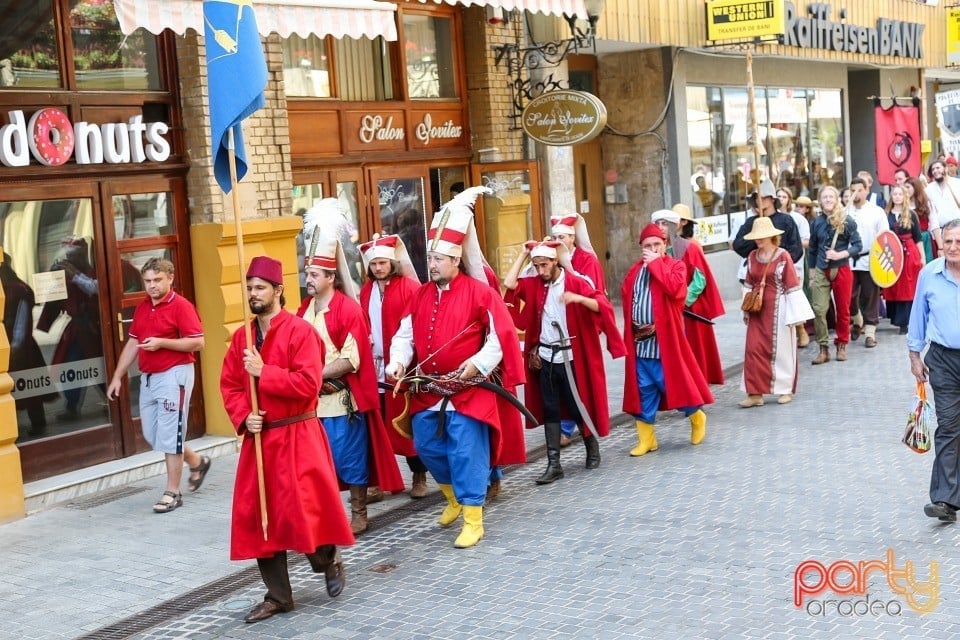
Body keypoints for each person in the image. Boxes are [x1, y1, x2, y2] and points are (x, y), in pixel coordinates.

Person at [386, 186, 525, 548]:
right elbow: (405, 334)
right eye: (429, 258)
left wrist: (477, 364)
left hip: (468, 390)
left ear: (456, 258)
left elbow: (500, 336)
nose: (431, 265)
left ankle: (473, 517)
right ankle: (451, 499)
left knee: (466, 452)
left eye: (438, 259)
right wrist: (398, 361)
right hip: (429, 390)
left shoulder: (480, 293)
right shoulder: (420, 294)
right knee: (427, 447)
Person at [221, 256, 354, 623]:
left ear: (278, 290)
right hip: (261, 439)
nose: (254, 294)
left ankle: (327, 560)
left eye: (260, 288)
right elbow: (231, 385)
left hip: (298, 433)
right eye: (249, 288)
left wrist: (266, 372)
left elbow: (308, 385)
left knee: (305, 512)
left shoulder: (301, 332)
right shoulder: (241, 338)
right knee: (260, 516)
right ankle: (278, 596)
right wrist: (243, 417)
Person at [297, 208, 404, 535]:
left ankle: (358, 512)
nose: (308, 279)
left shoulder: (348, 309)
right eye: (307, 273)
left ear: (331, 277)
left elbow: (351, 359)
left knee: (349, 459)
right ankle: (325, 514)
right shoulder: (304, 309)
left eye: (315, 274)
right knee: (318, 463)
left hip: (343, 402)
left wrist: (314, 375)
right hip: (312, 404)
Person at [503, 240, 624, 484]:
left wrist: (578, 299)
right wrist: (524, 255)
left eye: (544, 265)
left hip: (570, 358)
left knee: (577, 404)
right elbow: (509, 284)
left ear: (556, 261)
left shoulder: (576, 282)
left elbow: (602, 305)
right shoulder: (536, 284)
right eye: (536, 266)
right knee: (550, 410)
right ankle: (553, 463)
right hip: (546, 357)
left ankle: (591, 447)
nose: (540, 271)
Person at [106, 258, 209, 512]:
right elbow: (132, 343)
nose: (152, 286)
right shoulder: (142, 307)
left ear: (170, 278)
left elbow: (198, 342)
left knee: (170, 435)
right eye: (148, 281)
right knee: (156, 436)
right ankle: (197, 462)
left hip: (175, 375)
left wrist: (163, 343)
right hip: (149, 378)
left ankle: (172, 493)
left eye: (157, 280)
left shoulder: (182, 306)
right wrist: (118, 375)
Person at [621, 222, 714, 457]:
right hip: (641, 344)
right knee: (643, 390)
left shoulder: (676, 266)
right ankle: (647, 440)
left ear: (665, 245)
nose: (652, 249)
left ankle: (696, 417)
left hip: (665, 344)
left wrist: (655, 265)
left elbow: (676, 291)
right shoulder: (634, 272)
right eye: (647, 246)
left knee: (674, 384)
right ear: (640, 247)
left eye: (657, 245)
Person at [357, 234, 429, 499]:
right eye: (374, 264)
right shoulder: (366, 291)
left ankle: (419, 475)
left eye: (382, 263)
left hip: (404, 366)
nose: (378, 268)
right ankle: (380, 480)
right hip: (375, 365)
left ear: (392, 262)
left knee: (405, 421)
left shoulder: (409, 287)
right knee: (377, 424)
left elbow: (416, 327)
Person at [908, 219, 960, 522]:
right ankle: (944, 500)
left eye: (958, 242)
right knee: (950, 427)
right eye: (948, 242)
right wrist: (914, 355)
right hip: (941, 359)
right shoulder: (930, 274)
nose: (952, 248)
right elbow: (918, 316)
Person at [739, 218, 813, 407]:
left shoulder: (783, 256)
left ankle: (785, 388)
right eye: (756, 237)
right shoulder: (752, 257)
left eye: (762, 236)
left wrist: (796, 316)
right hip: (756, 309)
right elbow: (748, 283)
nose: (758, 240)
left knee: (782, 350)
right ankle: (755, 393)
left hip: (779, 308)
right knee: (754, 349)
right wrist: (745, 309)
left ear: (772, 236)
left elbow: (791, 285)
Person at [651, 208, 725, 384]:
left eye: (665, 224)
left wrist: (682, 300)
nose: (661, 227)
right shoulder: (654, 249)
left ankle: (696, 389)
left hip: (689, 309)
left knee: (693, 351)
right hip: (666, 311)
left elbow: (700, 280)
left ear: (674, 226)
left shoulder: (690, 248)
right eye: (657, 223)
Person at [36, 236, 102, 420]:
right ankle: (71, 407)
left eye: (76, 255)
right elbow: (54, 297)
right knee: (70, 368)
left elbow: (94, 289)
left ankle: (114, 401)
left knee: (101, 367)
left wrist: (73, 273)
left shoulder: (94, 272)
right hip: (76, 331)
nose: (73, 259)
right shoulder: (66, 275)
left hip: (96, 330)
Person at [808, 186, 861, 364]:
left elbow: (858, 245)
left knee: (843, 309)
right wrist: (811, 274)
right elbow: (813, 249)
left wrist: (840, 254)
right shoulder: (816, 223)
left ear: (837, 199)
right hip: (821, 269)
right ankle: (823, 348)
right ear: (820, 200)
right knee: (819, 309)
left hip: (842, 268)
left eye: (831, 196)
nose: (829, 199)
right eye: (825, 197)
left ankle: (841, 345)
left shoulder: (846, 220)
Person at [1, 252, 53, 436]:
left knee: (29, 387)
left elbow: (22, 323)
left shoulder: (18, 289)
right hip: (10, 346)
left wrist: (15, 347)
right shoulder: (9, 288)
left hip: (21, 348)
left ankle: (38, 424)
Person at [846, 177, 890, 348]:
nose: (855, 193)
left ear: (866, 190)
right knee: (848, 296)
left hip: (869, 258)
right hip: (849, 259)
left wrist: (881, 259)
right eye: (852, 190)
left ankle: (870, 334)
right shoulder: (845, 211)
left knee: (870, 296)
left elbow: (885, 235)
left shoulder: (876, 211)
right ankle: (857, 320)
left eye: (859, 189)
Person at [882, 185, 926, 334]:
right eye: (895, 193)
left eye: (900, 194)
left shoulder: (911, 214)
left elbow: (918, 238)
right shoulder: (885, 214)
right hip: (891, 253)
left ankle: (906, 322)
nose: (897, 196)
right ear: (891, 196)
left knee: (907, 287)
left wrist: (922, 258)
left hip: (909, 252)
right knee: (894, 285)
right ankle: (896, 319)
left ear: (905, 196)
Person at [732, 178, 804, 268]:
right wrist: (756, 237)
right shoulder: (751, 222)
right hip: (757, 270)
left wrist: (779, 262)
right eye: (756, 197)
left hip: (780, 272)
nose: (759, 200)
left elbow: (796, 249)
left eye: (763, 197)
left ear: (772, 199)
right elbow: (738, 246)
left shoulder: (786, 220)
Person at [926, 160, 960, 252]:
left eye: (938, 168)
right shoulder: (929, 189)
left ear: (945, 168)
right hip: (940, 234)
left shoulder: (957, 184)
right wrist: (940, 246)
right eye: (933, 169)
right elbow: (932, 217)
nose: (935, 171)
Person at [906, 176, 937, 262]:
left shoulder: (927, 203)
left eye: (908, 187)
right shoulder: (902, 204)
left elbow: (934, 225)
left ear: (916, 187)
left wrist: (940, 248)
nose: (905, 189)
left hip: (924, 239)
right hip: (908, 242)